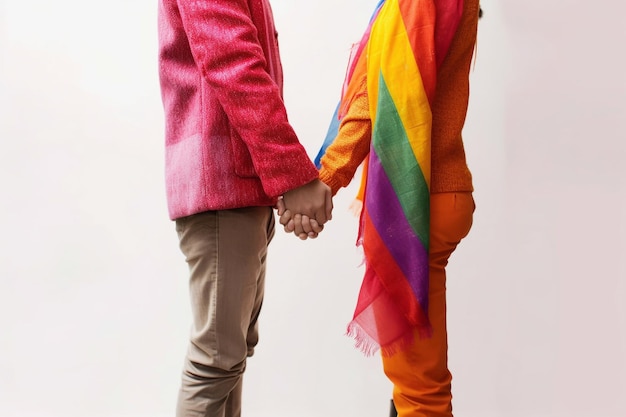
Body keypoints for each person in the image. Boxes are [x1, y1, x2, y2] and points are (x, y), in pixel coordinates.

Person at [278, 0, 480, 416]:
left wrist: (326, 179)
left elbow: (382, 94)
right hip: (435, 194)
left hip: (419, 204)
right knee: (414, 381)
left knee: (420, 395)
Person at [157, 1, 333, 416]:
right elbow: (234, 63)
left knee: (229, 359)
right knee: (216, 361)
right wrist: (294, 176)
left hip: (237, 184)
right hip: (221, 184)